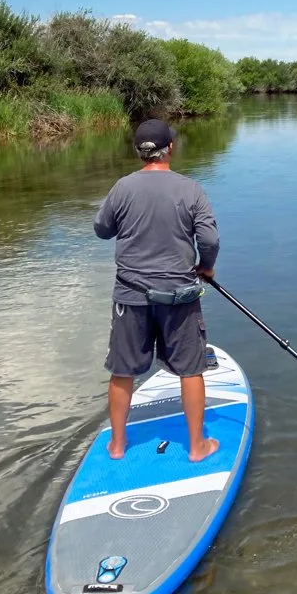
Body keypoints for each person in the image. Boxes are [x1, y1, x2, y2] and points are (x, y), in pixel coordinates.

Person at [94, 119, 220, 461]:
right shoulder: (191, 189)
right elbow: (209, 240)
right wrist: (206, 267)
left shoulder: (122, 187)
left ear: (139, 152)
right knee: (191, 369)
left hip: (130, 297)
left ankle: (117, 446)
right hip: (178, 296)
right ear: (170, 149)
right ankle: (197, 447)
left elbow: (102, 229)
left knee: (122, 371)